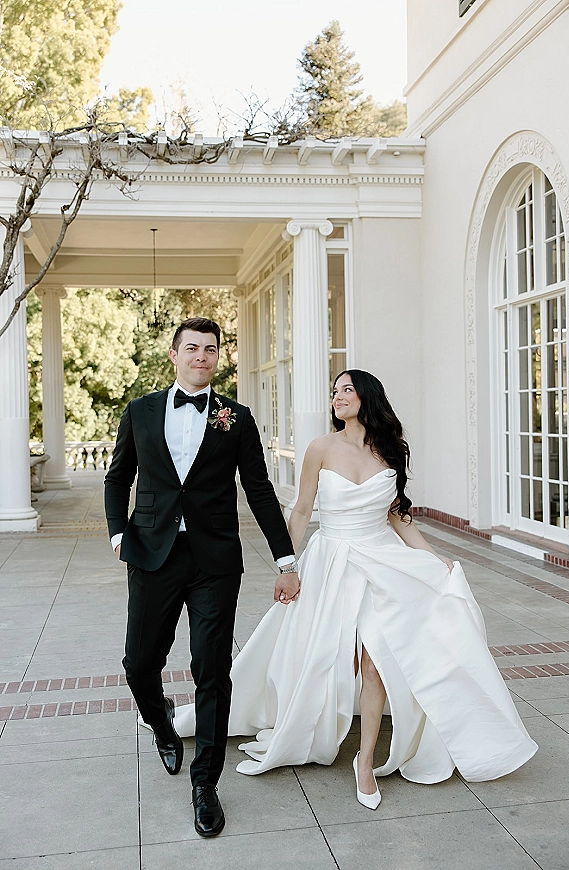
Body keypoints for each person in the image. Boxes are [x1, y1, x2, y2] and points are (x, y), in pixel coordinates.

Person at [168, 369, 538, 808]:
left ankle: (365, 761)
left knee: (376, 655)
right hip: (331, 559)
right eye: (334, 392)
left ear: (367, 396)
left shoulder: (391, 450)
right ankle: (304, 719)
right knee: (315, 652)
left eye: (346, 390)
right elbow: (303, 509)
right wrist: (287, 565)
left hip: (382, 560)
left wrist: (434, 557)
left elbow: (398, 516)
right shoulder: (320, 448)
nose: (338, 397)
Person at [104, 317, 299, 838]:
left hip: (214, 561)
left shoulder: (236, 418)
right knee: (139, 661)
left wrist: (285, 559)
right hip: (151, 553)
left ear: (218, 358)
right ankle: (161, 722)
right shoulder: (141, 412)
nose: (202, 356)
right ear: (174, 354)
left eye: (211, 350)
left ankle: (205, 784)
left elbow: (259, 489)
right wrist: (117, 532)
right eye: (192, 348)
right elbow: (118, 474)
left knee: (212, 670)